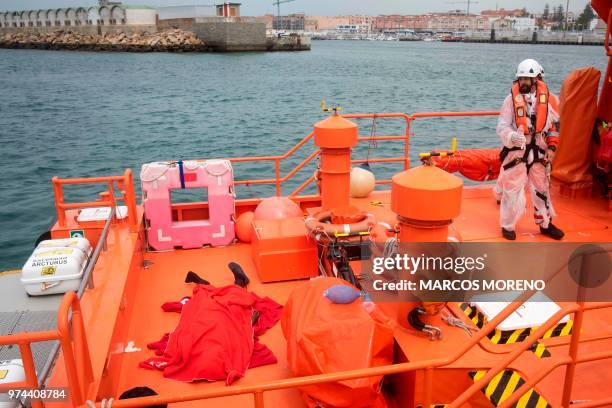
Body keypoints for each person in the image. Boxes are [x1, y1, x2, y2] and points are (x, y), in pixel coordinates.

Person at [496, 59, 565, 240]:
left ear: (537, 79)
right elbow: (502, 126)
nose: (524, 82)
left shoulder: (549, 100)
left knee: (542, 189)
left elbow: (554, 126)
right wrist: (512, 136)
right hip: (517, 150)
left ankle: (545, 224)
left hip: (540, 151)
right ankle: (508, 225)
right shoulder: (510, 100)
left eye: (528, 78)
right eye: (521, 79)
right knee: (511, 190)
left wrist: (551, 147)